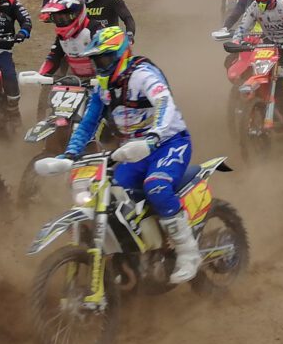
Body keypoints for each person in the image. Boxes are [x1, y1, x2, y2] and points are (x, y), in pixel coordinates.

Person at [57, 24, 201, 284]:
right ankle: (136, 255)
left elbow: (164, 102)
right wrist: (71, 152)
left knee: (156, 187)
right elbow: (89, 122)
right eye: (96, 59)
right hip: (132, 150)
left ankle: (188, 253)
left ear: (121, 54)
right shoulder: (103, 87)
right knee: (114, 197)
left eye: (105, 58)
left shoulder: (143, 75)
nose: (101, 65)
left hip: (168, 142)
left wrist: (155, 136)